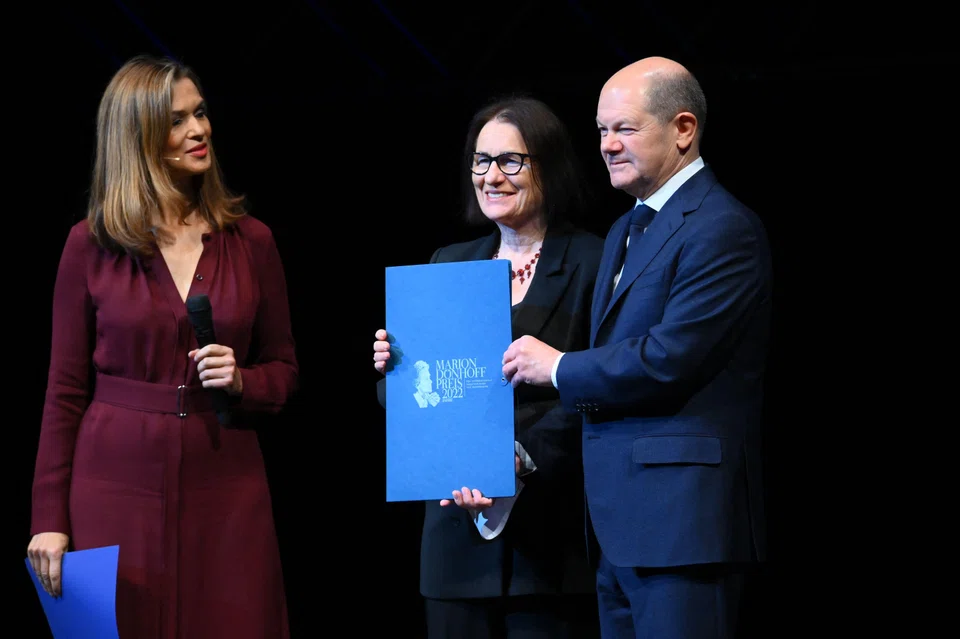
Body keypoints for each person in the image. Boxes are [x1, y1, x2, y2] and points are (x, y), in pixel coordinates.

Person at [25, 54, 298, 638]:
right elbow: (65, 390)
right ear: (137, 136)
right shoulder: (89, 244)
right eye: (176, 121)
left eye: (200, 114)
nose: (198, 130)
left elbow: (285, 369)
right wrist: (48, 518)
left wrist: (245, 381)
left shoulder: (251, 242)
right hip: (112, 484)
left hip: (225, 482)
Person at [502, 56, 772, 639]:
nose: (607, 145)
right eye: (601, 129)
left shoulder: (722, 227)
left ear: (683, 129)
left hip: (684, 528)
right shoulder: (627, 228)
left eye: (625, 128)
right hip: (616, 531)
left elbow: (672, 356)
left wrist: (560, 366)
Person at [372, 96, 604, 638]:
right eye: (481, 161)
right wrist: (395, 373)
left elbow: (599, 387)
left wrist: (516, 460)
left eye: (509, 161)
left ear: (547, 166)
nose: (490, 176)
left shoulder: (594, 261)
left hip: (550, 544)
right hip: (454, 543)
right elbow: (409, 404)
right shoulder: (447, 264)